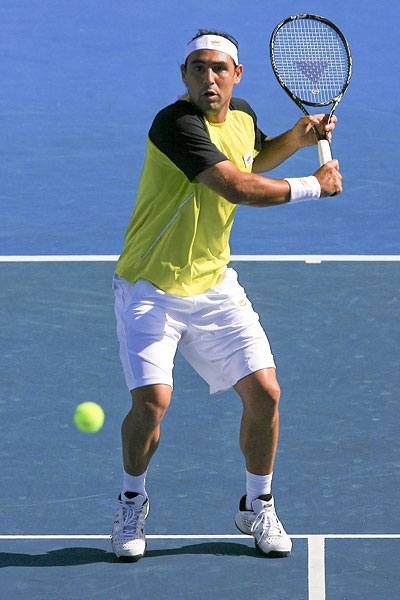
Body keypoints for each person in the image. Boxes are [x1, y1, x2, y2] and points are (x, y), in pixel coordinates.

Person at [111, 29, 342, 562]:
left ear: (237, 75)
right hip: (151, 288)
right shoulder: (175, 125)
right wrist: (313, 184)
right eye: (198, 68)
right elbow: (235, 186)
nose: (209, 78)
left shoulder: (241, 115)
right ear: (184, 75)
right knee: (152, 405)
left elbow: (250, 161)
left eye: (219, 68)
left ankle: (258, 504)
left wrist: (293, 139)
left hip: (214, 284)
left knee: (266, 393)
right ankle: (131, 501)